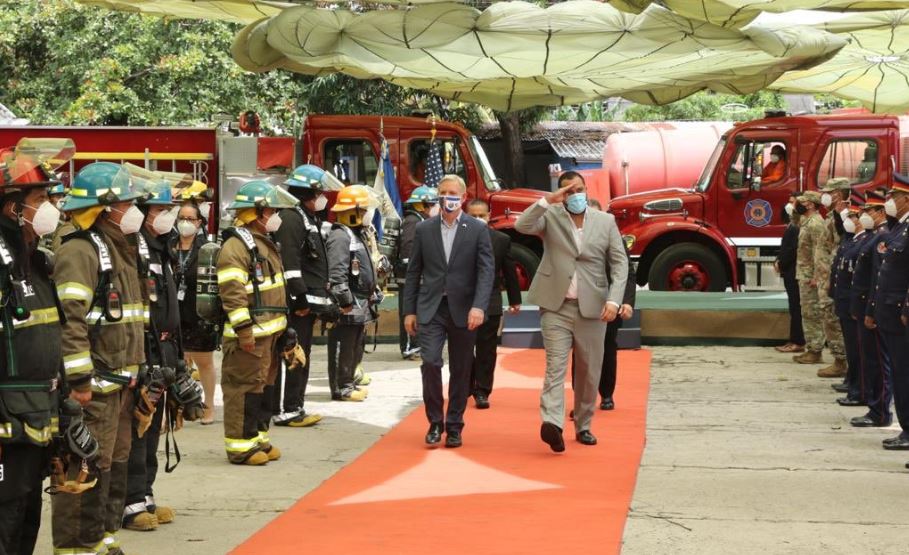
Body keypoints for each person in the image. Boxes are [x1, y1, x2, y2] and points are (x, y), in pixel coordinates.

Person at [53, 162, 147, 555]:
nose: (134, 210)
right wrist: (79, 382)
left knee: (114, 464)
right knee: (85, 466)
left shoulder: (120, 249)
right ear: (106, 208)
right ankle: (76, 546)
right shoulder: (80, 251)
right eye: (127, 202)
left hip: (122, 384)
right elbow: (70, 321)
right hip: (96, 387)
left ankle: (103, 538)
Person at [515, 171, 627, 453]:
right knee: (555, 367)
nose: (573, 194)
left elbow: (619, 264)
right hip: (556, 306)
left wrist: (614, 301)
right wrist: (547, 200)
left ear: (587, 190)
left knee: (589, 372)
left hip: (594, 307)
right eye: (567, 190)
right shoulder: (550, 216)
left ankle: (584, 424)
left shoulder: (606, 221)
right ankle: (552, 423)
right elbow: (521, 225)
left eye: (578, 189)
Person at [0, 142, 69, 555]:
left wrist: (66, 407)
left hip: (37, 412)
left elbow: (48, 338)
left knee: (26, 509)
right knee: (5, 514)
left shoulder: (36, 261)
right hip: (8, 417)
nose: (50, 208)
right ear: (12, 207)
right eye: (41, 199)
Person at [403, 174, 494, 448]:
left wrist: (479, 306)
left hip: (465, 310)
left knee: (461, 368)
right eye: (443, 192)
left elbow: (486, 271)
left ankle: (454, 424)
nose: (447, 197)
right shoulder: (424, 229)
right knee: (430, 362)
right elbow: (414, 272)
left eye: (452, 192)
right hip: (431, 308)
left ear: (463, 197)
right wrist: (409, 310)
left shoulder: (477, 229)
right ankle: (434, 422)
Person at [217, 180, 294, 465]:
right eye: (271, 209)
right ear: (257, 212)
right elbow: (233, 294)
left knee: (263, 387)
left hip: (269, 334)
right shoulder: (236, 247)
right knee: (244, 389)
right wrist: (244, 332)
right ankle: (240, 446)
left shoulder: (263, 244)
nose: (275, 215)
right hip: (249, 336)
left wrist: (284, 330)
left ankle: (259, 437)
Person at [122, 178, 180, 532]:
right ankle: (131, 502)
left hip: (164, 351)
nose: (166, 217)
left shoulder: (161, 247)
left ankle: (146, 495)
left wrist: (176, 360)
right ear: (142, 213)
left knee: (153, 429)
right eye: (160, 210)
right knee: (137, 429)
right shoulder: (136, 247)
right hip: (144, 352)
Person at [271, 164, 333, 426]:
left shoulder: (306, 218)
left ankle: (292, 405)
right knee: (294, 355)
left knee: (298, 354)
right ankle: (290, 409)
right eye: (319, 192)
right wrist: (300, 300)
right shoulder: (292, 219)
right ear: (309, 192)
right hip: (296, 305)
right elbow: (291, 265)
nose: (323, 198)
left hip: (305, 303)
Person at [326, 185, 381, 403]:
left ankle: (349, 383)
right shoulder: (341, 236)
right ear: (351, 212)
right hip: (349, 303)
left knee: (355, 345)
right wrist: (344, 300)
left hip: (361, 302)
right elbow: (337, 272)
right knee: (343, 345)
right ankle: (342, 388)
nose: (367, 214)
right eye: (362, 210)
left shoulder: (356, 233)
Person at [465, 199, 521, 410]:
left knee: (486, 348)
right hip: (463, 300)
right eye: (473, 216)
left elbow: (509, 270)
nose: (478, 219)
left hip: (491, 300)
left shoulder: (501, 239)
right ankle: (466, 385)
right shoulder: (457, 238)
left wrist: (515, 299)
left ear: (489, 216)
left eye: (482, 215)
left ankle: (482, 390)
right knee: (464, 346)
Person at [867, 174, 909, 451]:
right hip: (889, 311)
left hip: (900, 312)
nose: (890, 202)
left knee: (904, 372)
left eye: (894, 197)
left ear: (907, 198)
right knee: (899, 372)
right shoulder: (897, 229)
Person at [170, 199, 218, 425]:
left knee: (204, 363)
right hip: (173, 312)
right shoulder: (168, 246)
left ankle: (208, 405)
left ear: (199, 223)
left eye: (190, 219)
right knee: (175, 363)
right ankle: (179, 406)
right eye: (181, 218)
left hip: (198, 313)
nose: (185, 223)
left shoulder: (206, 250)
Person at [849, 188, 893, 428]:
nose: (863, 215)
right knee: (871, 360)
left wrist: (871, 310)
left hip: (873, 309)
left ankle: (880, 411)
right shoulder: (873, 235)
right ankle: (874, 406)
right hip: (866, 305)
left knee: (878, 361)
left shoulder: (882, 236)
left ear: (879, 211)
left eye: (867, 210)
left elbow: (879, 277)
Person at [830, 192, 869, 407]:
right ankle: (853, 383)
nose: (851, 220)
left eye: (855, 216)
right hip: (845, 301)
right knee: (852, 348)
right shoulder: (851, 240)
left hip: (855, 303)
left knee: (858, 350)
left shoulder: (865, 241)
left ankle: (859, 390)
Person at [814, 177, 851, 378]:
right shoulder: (832, 215)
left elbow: (842, 244)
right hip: (825, 275)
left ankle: (842, 361)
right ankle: (840, 359)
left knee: (833, 319)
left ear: (838, 193)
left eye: (829, 192)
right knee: (829, 318)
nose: (825, 195)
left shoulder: (845, 217)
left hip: (833, 277)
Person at [397, 186, 439, 359]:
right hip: (409, 277)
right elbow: (408, 249)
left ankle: (417, 345)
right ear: (424, 205)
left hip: (417, 276)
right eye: (434, 204)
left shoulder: (419, 220)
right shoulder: (413, 221)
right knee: (410, 311)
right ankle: (409, 347)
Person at [792, 191, 828, 366]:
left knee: (812, 313)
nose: (798, 204)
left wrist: (816, 276)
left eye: (803, 202)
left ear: (811, 204)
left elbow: (819, 251)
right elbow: (792, 220)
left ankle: (815, 351)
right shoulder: (805, 221)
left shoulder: (815, 224)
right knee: (807, 312)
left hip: (811, 276)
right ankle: (811, 348)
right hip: (804, 274)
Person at [775, 195, 806, 353]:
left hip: (794, 272)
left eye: (794, 202)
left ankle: (798, 341)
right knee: (794, 307)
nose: (790, 205)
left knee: (796, 307)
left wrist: (780, 263)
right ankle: (794, 339)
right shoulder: (792, 225)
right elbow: (784, 248)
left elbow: (791, 250)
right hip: (790, 271)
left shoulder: (797, 227)